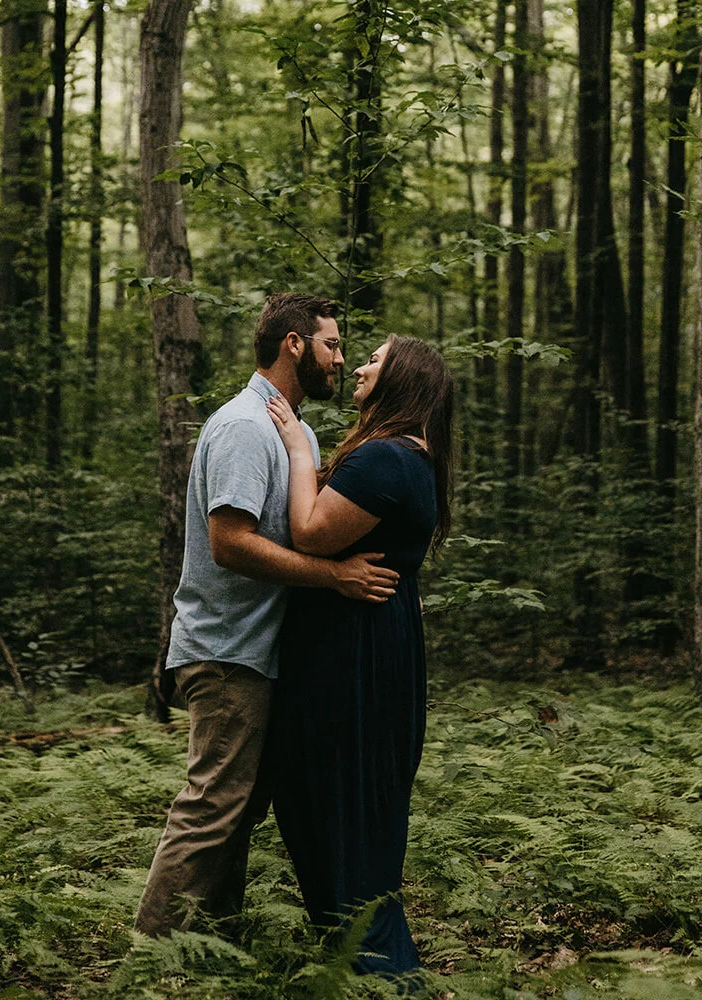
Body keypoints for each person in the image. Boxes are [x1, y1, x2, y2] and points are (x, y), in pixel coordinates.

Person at [134, 292, 400, 938]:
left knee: (241, 808)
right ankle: (150, 960)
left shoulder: (294, 431)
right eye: (332, 344)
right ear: (293, 344)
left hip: (263, 653)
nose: (339, 359)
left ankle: (210, 945)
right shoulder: (242, 428)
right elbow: (230, 543)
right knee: (214, 806)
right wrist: (333, 577)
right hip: (225, 653)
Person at [266, 333, 454, 983]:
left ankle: (375, 968)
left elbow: (310, 532)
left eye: (374, 358)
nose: (361, 366)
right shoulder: (409, 456)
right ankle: (362, 958)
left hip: (352, 650)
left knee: (334, 795)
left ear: (401, 378)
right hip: (374, 642)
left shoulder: (385, 459)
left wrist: (296, 448)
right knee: (347, 798)